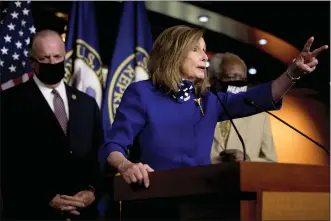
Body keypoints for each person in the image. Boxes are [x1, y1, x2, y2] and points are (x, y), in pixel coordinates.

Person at [99, 25, 327, 188]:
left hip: (202, 200)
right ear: (173, 53)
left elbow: (261, 96)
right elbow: (114, 145)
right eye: (196, 49)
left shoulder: (210, 99)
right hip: (155, 197)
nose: (205, 57)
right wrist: (127, 166)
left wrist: (293, 73)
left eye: (205, 49)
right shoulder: (141, 93)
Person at [1, 30, 104, 220]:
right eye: (45, 58)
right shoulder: (10, 102)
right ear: (33, 62)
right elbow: (7, 164)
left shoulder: (86, 104)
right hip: (32, 213)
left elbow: (100, 156)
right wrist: (45, 198)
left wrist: (92, 191)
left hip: (84, 215)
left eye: (57, 57)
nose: (52, 63)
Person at [208, 52, 277, 163]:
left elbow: (271, 162)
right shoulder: (195, 111)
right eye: (231, 77)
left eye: (242, 78)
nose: (238, 82)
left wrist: (247, 161)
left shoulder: (259, 116)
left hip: (245, 179)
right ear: (213, 80)